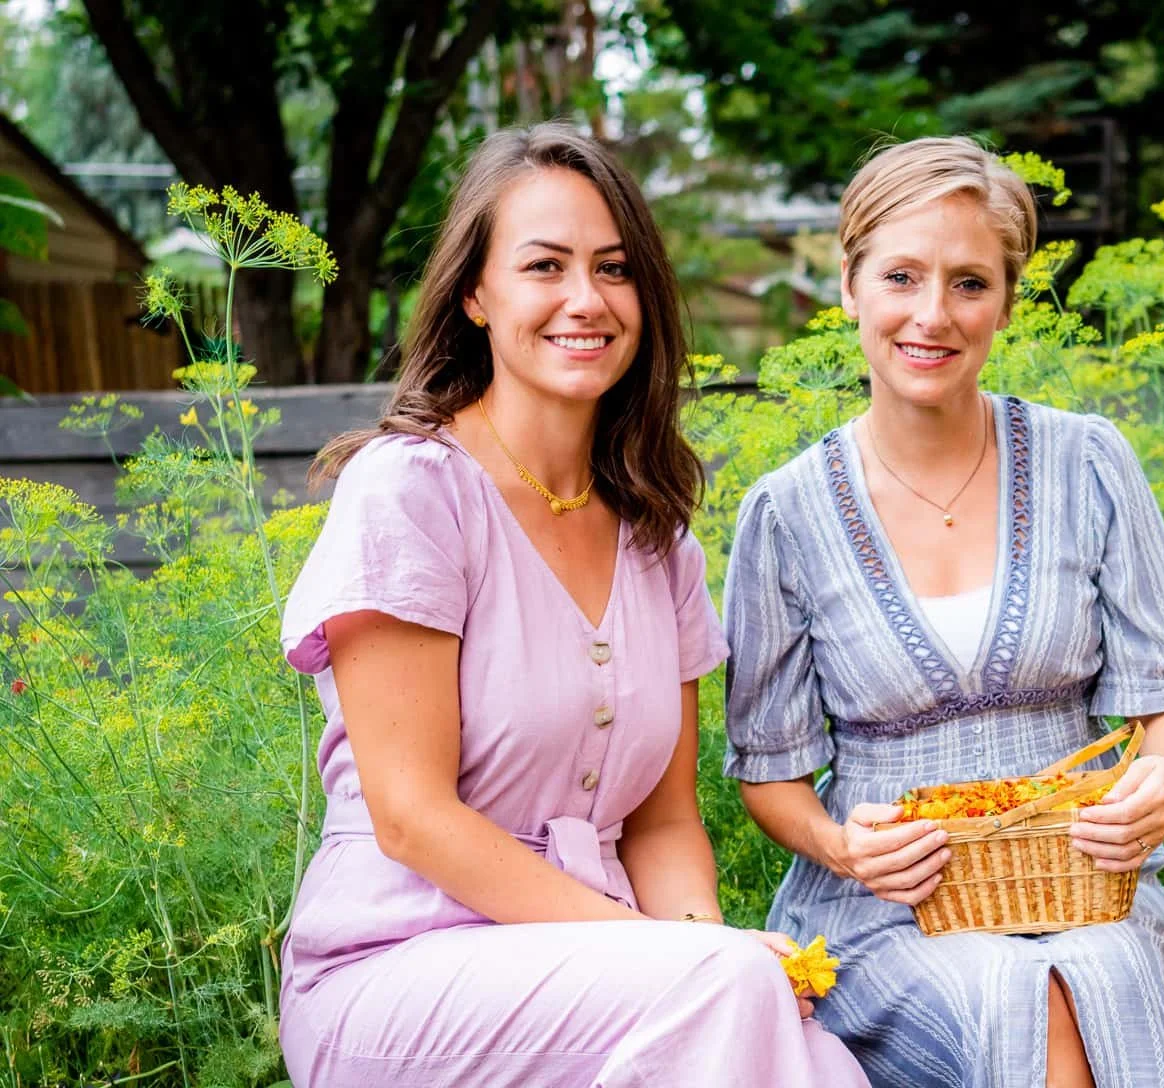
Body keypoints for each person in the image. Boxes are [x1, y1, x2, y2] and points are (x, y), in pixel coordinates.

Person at [277, 122, 868, 1088]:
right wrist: (684, 961)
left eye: (615, 268)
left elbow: (665, 825)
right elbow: (413, 819)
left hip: (608, 974)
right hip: (393, 977)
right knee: (732, 996)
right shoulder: (411, 493)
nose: (586, 300)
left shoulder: (655, 535)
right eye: (545, 266)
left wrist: (702, 951)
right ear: (475, 293)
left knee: (814, 1055)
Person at [722, 136, 1164, 1088]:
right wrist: (846, 847)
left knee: (1093, 976)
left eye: (969, 284)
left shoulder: (1090, 462)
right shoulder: (786, 514)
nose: (932, 315)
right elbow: (770, 777)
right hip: (884, 907)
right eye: (901, 276)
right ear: (850, 285)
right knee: (1016, 999)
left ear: (1007, 300)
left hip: (1089, 882)